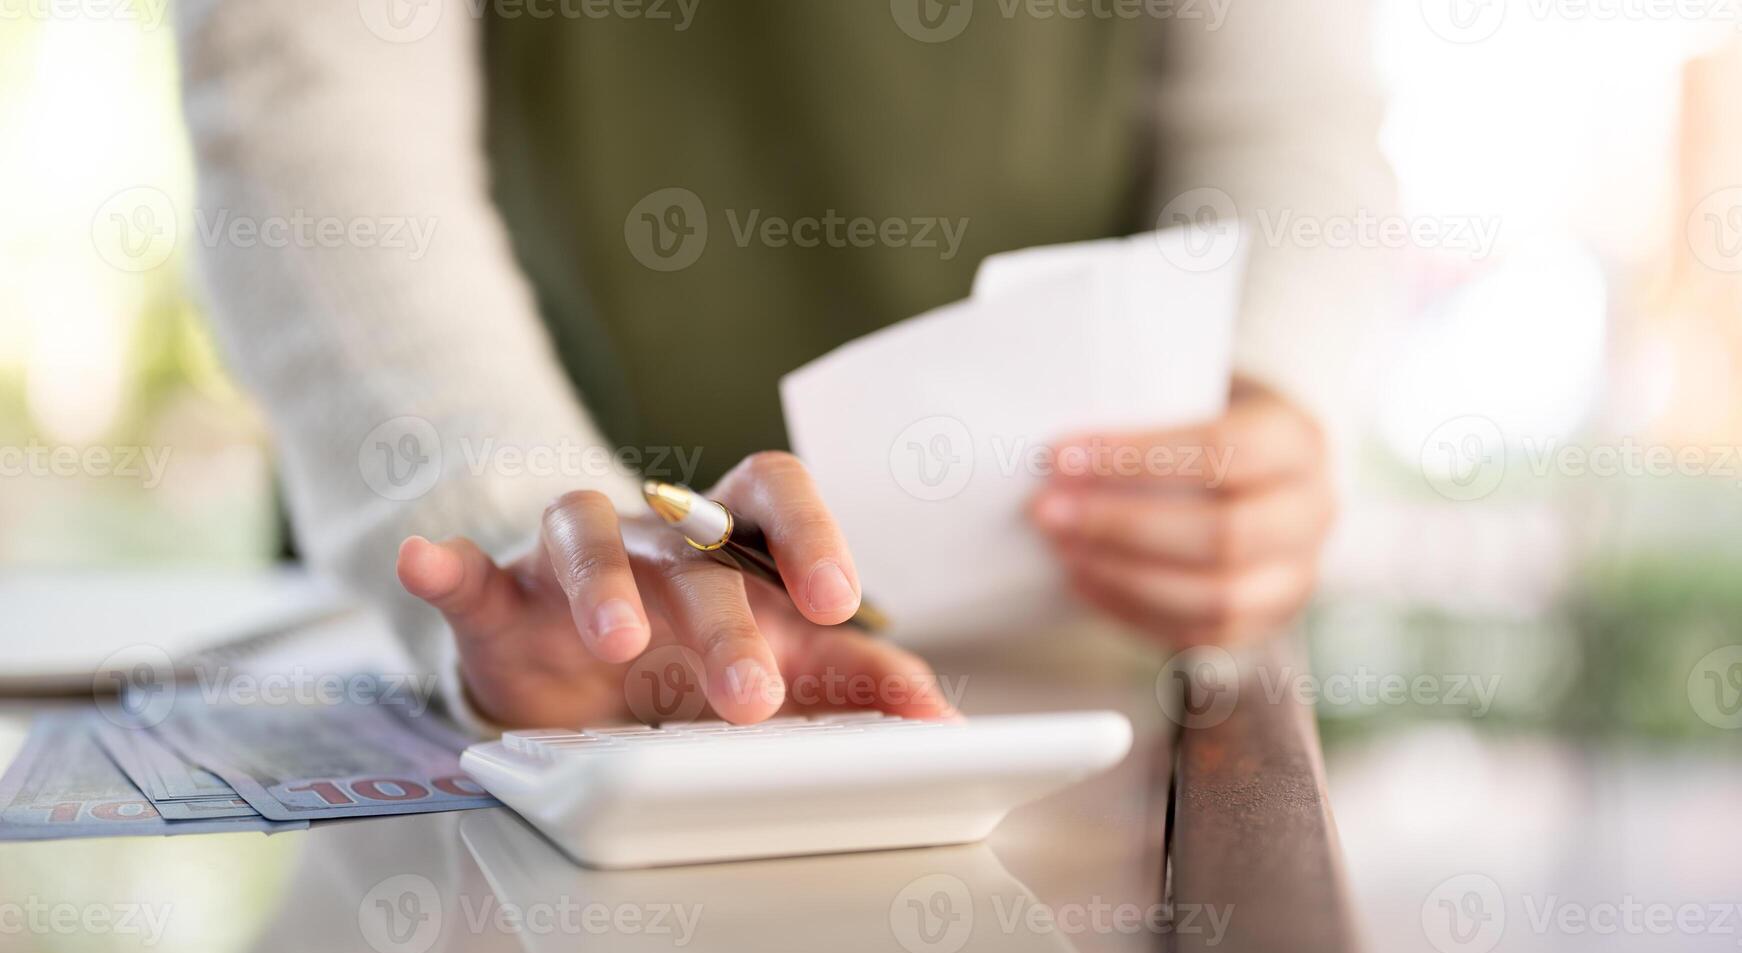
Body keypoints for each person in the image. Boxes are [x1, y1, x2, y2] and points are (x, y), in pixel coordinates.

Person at [175, 0, 1393, 731]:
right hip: (514, 646)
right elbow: (310, 85)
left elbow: (1287, 115)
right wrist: (521, 519)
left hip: (1060, 663)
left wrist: (1260, 385)